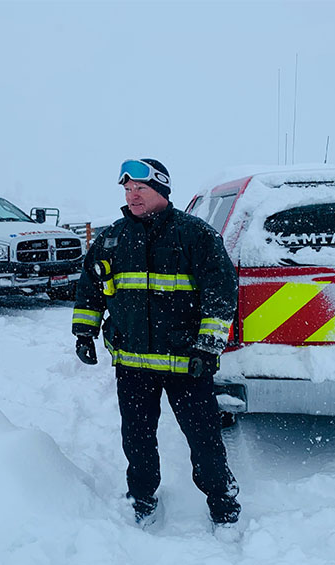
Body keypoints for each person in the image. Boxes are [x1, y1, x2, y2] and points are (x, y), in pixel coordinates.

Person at [71, 158, 240, 531]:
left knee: (204, 439)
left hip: (186, 366)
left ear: (162, 192)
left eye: (140, 190)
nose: (132, 197)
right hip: (132, 365)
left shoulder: (195, 235)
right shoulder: (111, 239)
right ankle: (142, 496)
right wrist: (84, 331)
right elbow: (90, 289)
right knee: (137, 439)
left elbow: (221, 293)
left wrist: (207, 347)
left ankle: (223, 500)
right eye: (128, 191)